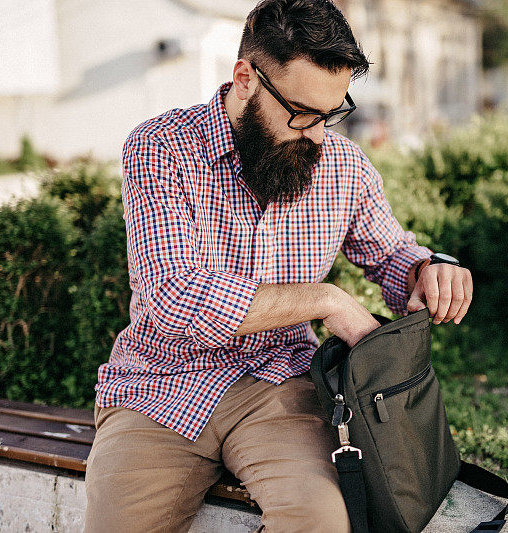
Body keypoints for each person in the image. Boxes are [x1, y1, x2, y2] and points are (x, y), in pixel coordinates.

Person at [83, 0, 472, 531]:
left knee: (323, 523)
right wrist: (325, 299)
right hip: (158, 386)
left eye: (332, 113)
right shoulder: (161, 147)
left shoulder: (343, 164)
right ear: (245, 78)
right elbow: (171, 295)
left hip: (281, 386)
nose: (318, 134)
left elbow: (389, 253)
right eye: (303, 113)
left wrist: (430, 267)